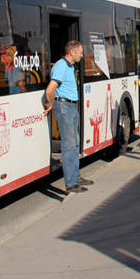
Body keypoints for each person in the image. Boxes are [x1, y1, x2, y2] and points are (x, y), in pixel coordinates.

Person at [43, 41, 93, 194]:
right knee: (69, 145)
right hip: (64, 106)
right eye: (80, 52)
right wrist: (51, 104)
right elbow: (50, 89)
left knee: (75, 143)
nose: (82, 55)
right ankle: (70, 183)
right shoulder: (61, 65)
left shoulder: (70, 67)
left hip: (71, 106)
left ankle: (76, 177)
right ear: (72, 52)